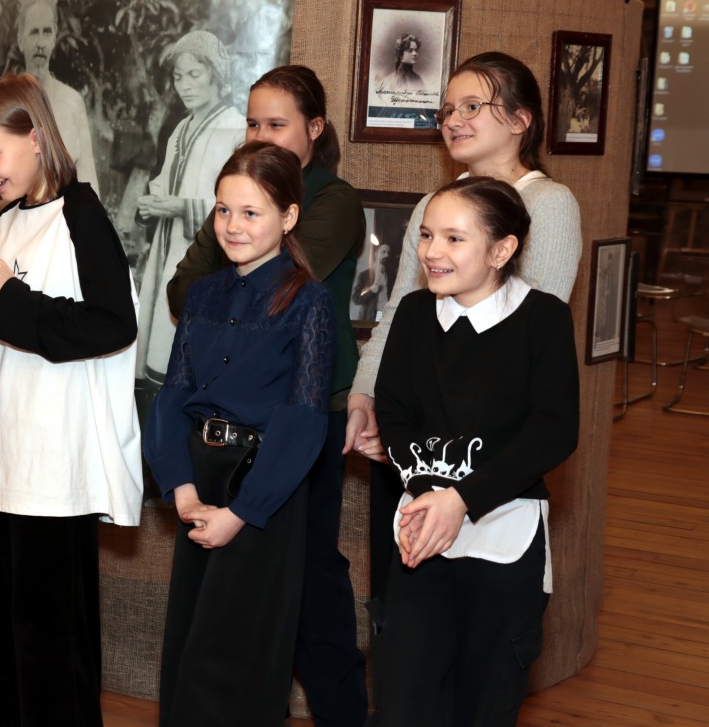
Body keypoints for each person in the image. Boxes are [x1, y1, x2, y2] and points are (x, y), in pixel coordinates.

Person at [344, 51, 583, 661]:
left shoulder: (548, 203)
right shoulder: (436, 201)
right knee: (408, 631)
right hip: (416, 445)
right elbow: (400, 309)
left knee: (481, 648)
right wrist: (367, 394)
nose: (453, 119)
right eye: (447, 109)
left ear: (521, 120)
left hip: (490, 462)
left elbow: (527, 337)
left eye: (472, 106)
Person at [167, 65, 367, 726]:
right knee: (213, 620)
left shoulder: (330, 214)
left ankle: (342, 714)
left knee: (290, 597)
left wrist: (244, 509)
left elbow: (301, 405)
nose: (260, 135)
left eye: (277, 124)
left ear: (315, 128)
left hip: (287, 446)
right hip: (214, 453)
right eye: (253, 123)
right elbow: (185, 302)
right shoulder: (219, 261)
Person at [0, 74, 142, 726]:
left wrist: (8, 294)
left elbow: (111, 325)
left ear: (35, 138)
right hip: (7, 458)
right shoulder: (6, 220)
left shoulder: (81, 214)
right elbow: (14, 329)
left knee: (50, 650)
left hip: (57, 467)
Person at [370, 176, 579, 725]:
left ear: (501, 250)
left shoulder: (543, 319)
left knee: (485, 698)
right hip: (420, 525)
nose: (433, 251)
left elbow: (554, 430)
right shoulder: (414, 312)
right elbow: (393, 410)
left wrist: (461, 499)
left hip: (504, 532)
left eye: (454, 239)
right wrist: (427, 492)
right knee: (404, 696)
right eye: (427, 235)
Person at [146, 141, 335, 726]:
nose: (232, 225)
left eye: (251, 212)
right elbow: (174, 395)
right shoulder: (203, 295)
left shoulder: (308, 302)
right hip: (198, 480)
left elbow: (304, 418)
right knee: (191, 637)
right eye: (224, 210)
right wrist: (181, 489)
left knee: (236, 649)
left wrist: (242, 512)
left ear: (288, 216)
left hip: (261, 489)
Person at [135, 30, 246, 389]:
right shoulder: (181, 128)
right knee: (161, 339)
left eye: (195, 74)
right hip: (168, 248)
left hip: (206, 257)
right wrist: (152, 202)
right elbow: (165, 180)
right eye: (178, 77)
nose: (185, 85)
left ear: (216, 75)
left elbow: (241, 204)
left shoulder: (235, 128)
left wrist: (182, 207)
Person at [15, 0, 99, 190]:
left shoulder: (73, 102)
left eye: (47, 32)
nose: (40, 43)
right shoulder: (5, 100)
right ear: (20, 40)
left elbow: (88, 179)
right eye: (34, 32)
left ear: (54, 39)